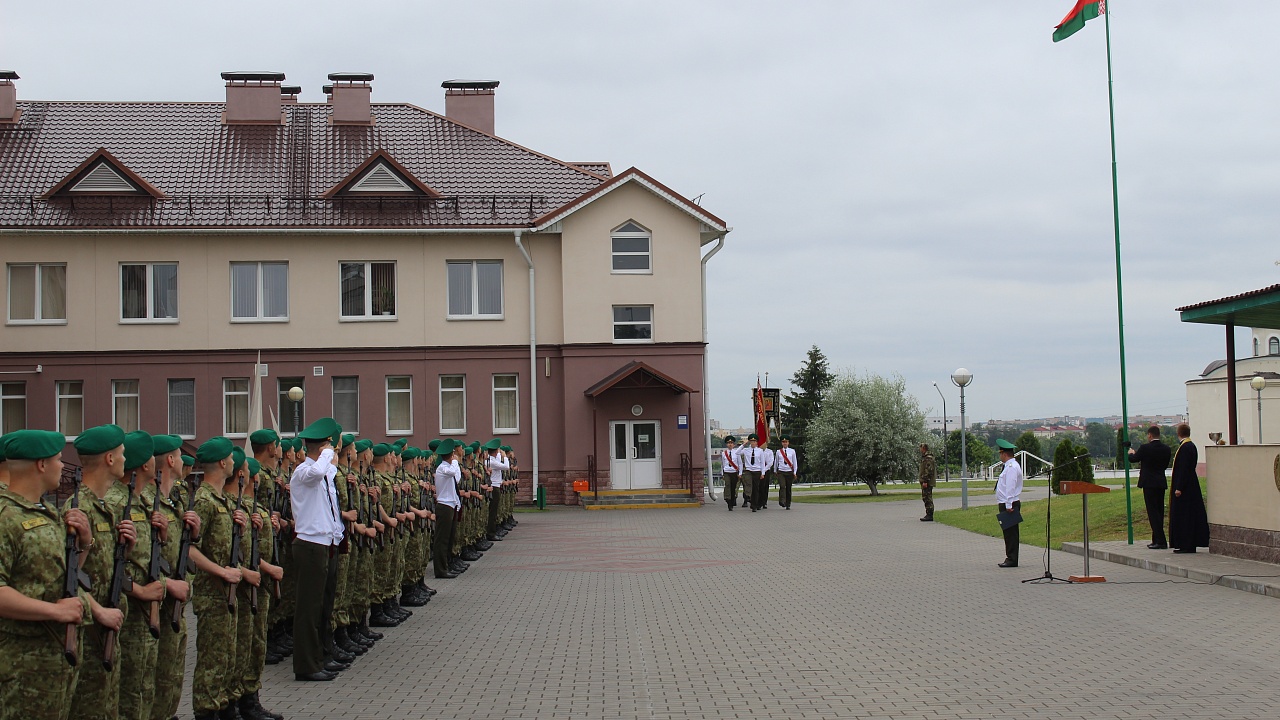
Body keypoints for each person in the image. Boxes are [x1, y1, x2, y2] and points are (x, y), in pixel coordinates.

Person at [0, 429, 122, 720]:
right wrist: (54, 610)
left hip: (58, 661)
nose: (62, 465)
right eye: (57, 459)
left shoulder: (46, 512)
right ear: (41, 465)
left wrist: (85, 544)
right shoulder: (5, 516)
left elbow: (65, 575)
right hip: (25, 668)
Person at [289, 418, 346, 681]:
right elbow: (315, 473)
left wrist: (337, 536)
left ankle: (321, 656)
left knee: (322, 605)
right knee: (308, 610)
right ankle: (306, 666)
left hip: (324, 543)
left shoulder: (323, 474)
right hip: (309, 545)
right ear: (322, 448)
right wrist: (325, 453)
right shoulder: (303, 472)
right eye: (330, 447)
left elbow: (330, 505)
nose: (333, 452)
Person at [1127, 426, 1171, 550]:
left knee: (1152, 512)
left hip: (1149, 483)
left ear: (1150, 435)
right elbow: (1165, 465)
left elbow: (1134, 459)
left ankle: (1160, 541)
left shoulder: (1145, 448)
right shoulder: (1166, 449)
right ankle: (1156, 539)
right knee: (1159, 511)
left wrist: (1130, 452)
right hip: (1160, 482)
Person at [1168, 423, 1209, 554]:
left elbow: (1183, 469)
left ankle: (1186, 544)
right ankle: (1186, 543)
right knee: (1189, 515)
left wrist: (1179, 487)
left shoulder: (1185, 448)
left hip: (1185, 488)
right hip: (1191, 484)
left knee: (1184, 516)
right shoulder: (1191, 446)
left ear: (1179, 433)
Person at [433, 439, 462, 579]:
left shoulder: (449, 468)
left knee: (449, 538)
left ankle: (447, 565)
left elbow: (457, 478)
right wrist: (455, 462)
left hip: (451, 505)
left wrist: (455, 463)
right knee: (442, 540)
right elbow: (452, 472)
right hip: (444, 506)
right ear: (451, 455)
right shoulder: (442, 468)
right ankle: (440, 569)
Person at [994, 439, 1023, 568]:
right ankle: (1011, 557)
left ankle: (1011, 559)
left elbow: (1010, 486)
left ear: (1004, 454)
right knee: (1008, 532)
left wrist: (1009, 504)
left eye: (1000, 454)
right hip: (1007, 503)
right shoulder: (1009, 466)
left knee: (1011, 534)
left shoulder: (1011, 467)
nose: (1000, 456)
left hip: (1009, 504)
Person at [740, 434, 772, 512]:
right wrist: (744, 444)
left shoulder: (760, 451)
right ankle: (748, 495)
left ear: (757, 442)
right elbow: (737, 452)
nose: (753, 443)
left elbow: (762, 463)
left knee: (756, 488)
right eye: (751, 441)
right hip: (748, 470)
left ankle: (754, 505)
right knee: (749, 484)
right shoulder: (746, 450)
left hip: (757, 471)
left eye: (754, 441)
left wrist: (763, 473)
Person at [774, 436, 798, 510]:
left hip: (789, 472)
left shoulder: (792, 451)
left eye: (786, 442)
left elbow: (794, 462)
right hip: (781, 471)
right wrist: (775, 470)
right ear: (781, 443)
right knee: (782, 486)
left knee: (788, 488)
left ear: (788, 443)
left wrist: (794, 472)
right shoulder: (778, 452)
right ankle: (782, 500)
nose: (785, 443)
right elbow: (776, 462)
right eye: (783, 442)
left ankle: (788, 503)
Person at [720, 436, 741, 511]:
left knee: (733, 487)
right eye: (728, 443)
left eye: (731, 443)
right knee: (727, 485)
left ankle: (732, 500)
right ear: (726, 444)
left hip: (734, 472)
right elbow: (722, 464)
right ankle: (728, 499)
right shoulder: (724, 453)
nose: (730, 444)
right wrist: (722, 473)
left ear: (734, 444)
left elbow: (740, 463)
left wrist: (740, 473)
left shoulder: (737, 453)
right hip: (727, 472)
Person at [918, 443, 937, 522]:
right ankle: (928, 513)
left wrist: (925, 480)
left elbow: (928, 470)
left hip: (927, 481)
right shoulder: (925, 457)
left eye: (920, 448)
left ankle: (929, 514)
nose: (920, 450)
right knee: (925, 497)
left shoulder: (928, 458)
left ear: (924, 448)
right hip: (926, 481)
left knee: (927, 497)